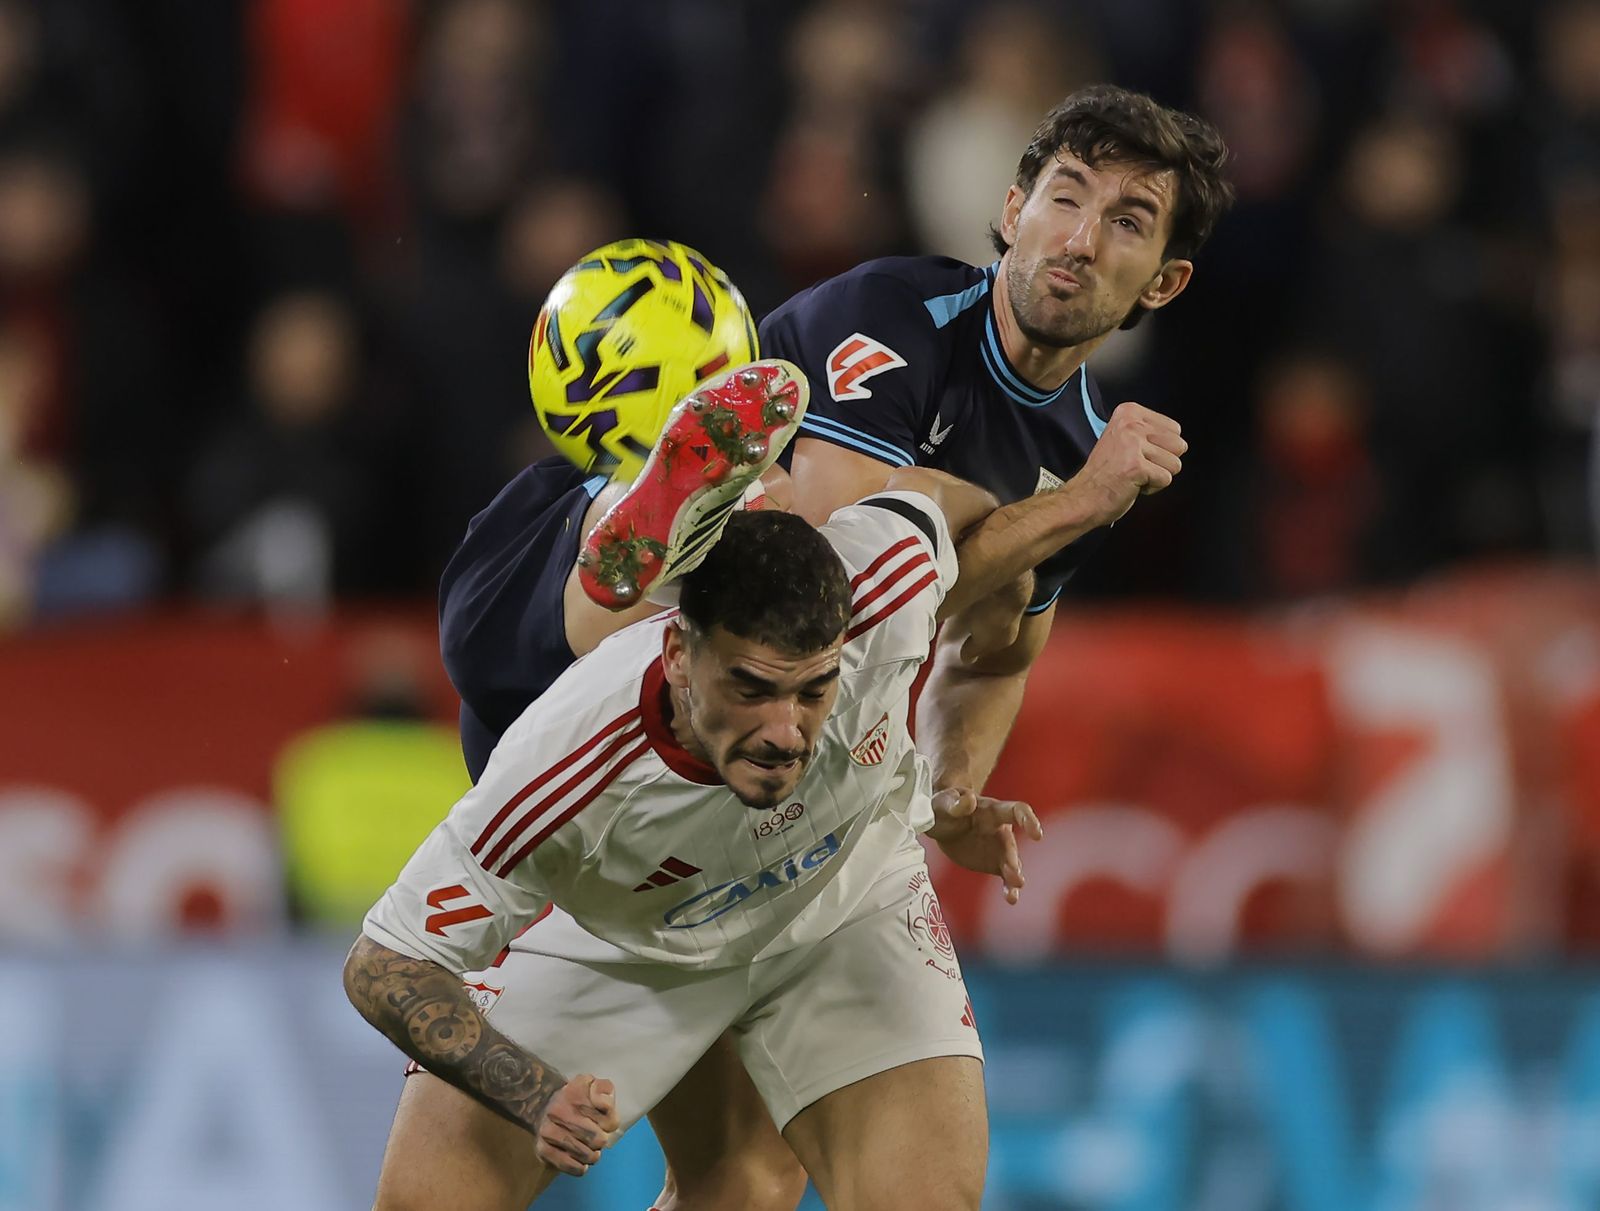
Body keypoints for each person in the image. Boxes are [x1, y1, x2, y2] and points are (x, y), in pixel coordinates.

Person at [434, 83, 1233, 1209]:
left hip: (714, 789)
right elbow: (822, 580)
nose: (1080, 237)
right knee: (714, 564)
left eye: (1127, 222)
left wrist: (953, 789)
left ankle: (659, 520)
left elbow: (997, 650)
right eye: (1064, 197)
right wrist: (1069, 509)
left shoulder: (1083, 449)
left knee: (747, 1179)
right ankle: (645, 510)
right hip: (568, 634)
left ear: (1163, 281)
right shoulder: (894, 318)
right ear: (1009, 208)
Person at [347, 460, 1031, 1210]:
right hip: (627, 941)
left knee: (793, 1192)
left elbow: (947, 499)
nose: (785, 733)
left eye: (813, 691)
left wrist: (1066, 527)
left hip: (845, 898)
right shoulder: (565, 762)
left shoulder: (884, 581)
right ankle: (584, 525)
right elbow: (384, 962)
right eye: (751, 688)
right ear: (677, 655)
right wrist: (535, 1093)